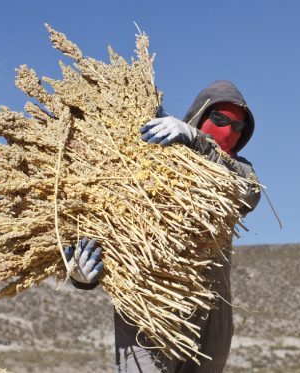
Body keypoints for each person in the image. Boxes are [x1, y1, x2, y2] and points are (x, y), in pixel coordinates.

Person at [65, 80, 261, 372]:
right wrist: (81, 275)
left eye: (238, 127)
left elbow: (248, 193)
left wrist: (196, 141)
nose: (229, 132)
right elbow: (94, 217)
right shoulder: (143, 156)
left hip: (210, 323)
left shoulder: (237, 170)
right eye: (220, 120)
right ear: (200, 114)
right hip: (149, 320)